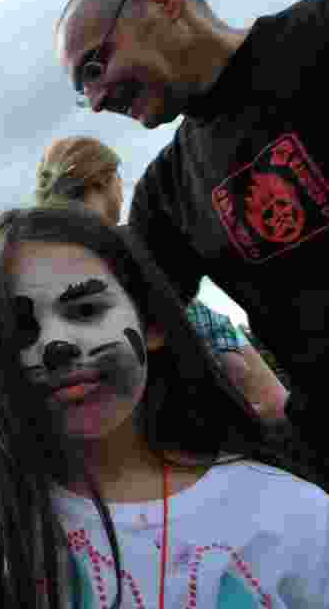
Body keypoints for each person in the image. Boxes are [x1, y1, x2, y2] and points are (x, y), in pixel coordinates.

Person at [0, 206, 329, 609]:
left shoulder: (290, 515)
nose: (56, 346)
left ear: (152, 323)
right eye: (18, 328)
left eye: (85, 310)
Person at [56, 0, 329, 512]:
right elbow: (130, 322)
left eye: (95, 66)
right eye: (85, 89)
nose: (97, 101)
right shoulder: (167, 196)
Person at [35, 135, 289, 422]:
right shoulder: (135, 244)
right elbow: (272, 401)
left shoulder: (43, 265)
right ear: (104, 180)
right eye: (118, 178)